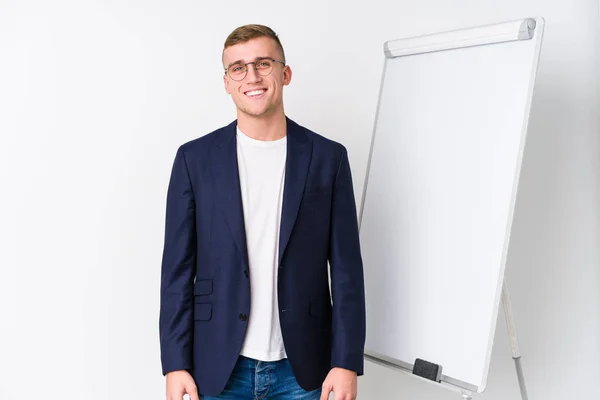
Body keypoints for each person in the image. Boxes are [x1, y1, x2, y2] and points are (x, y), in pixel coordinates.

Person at [159, 24, 366, 400]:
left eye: (263, 63)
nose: (251, 76)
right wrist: (175, 364)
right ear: (226, 82)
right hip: (217, 366)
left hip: (305, 370)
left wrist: (346, 360)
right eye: (238, 67)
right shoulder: (194, 160)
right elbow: (176, 272)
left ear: (285, 74)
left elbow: (348, 271)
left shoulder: (328, 159)